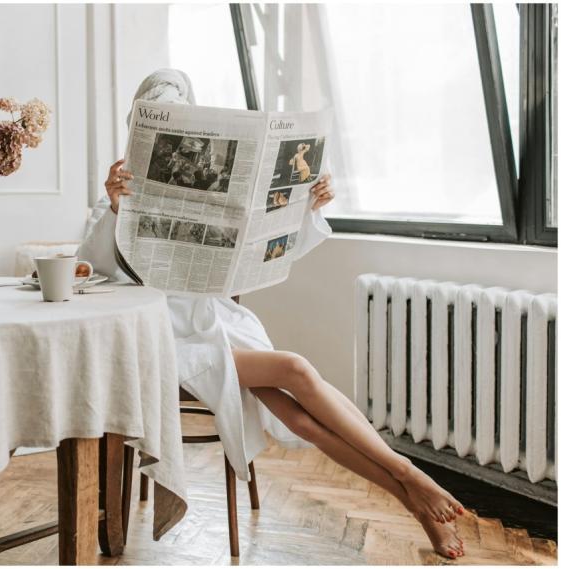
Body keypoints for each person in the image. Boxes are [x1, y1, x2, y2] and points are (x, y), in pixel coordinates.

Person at [77, 69, 465, 559]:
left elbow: (267, 253)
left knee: (304, 421)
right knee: (296, 369)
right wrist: (116, 209)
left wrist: (306, 207)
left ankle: (413, 500)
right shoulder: (116, 195)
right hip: (162, 343)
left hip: (216, 325)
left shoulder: (208, 190)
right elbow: (91, 269)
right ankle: (410, 475)